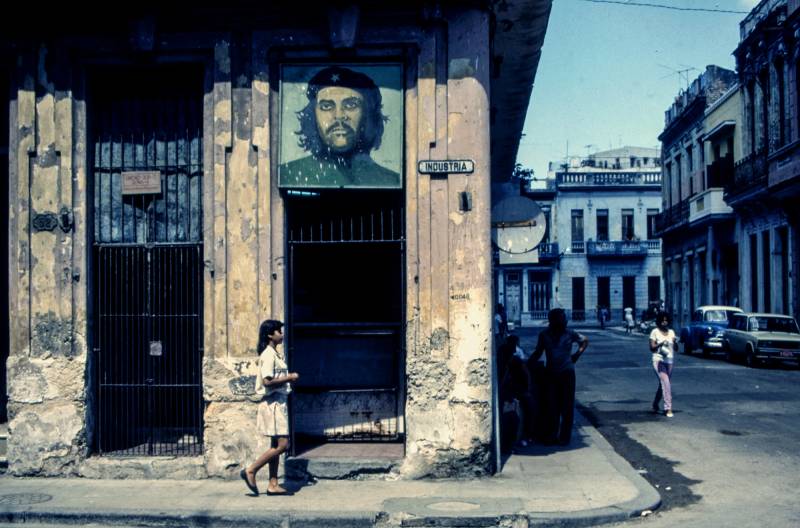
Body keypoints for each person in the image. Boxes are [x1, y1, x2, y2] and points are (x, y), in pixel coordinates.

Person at [280, 65, 401, 188]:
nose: (339, 116)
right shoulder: (288, 175)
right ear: (312, 116)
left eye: (351, 105)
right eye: (326, 106)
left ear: (367, 115)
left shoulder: (389, 180)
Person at [240, 319, 299, 496]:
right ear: (270, 335)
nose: (282, 334)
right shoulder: (268, 355)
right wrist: (289, 377)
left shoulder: (274, 354)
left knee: (275, 443)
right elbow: (268, 381)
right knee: (283, 444)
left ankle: (273, 484)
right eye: (279, 332)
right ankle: (251, 470)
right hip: (273, 403)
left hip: (278, 402)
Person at [530, 308, 589, 445]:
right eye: (561, 318)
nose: (564, 321)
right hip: (551, 373)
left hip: (567, 373)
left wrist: (576, 355)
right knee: (552, 405)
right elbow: (538, 351)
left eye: (564, 318)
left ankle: (564, 437)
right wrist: (529, 364)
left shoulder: (570, 334)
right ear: (553, 320)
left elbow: (585, 341)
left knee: (567, 406)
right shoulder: (544, 335)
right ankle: (552, 435)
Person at [649, 311, 676, 418]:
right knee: (666, 383)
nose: (664, 322)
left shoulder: (672, 332)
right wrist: (660, 343)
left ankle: (655, 404)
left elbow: (675, 348)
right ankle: (668, 408)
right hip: (658, 360)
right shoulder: (654, 332)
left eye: (666, 320)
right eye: (662, 320)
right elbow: (651, 348)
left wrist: (675, 342)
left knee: (663, 385)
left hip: (669, 361)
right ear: (659, 321)